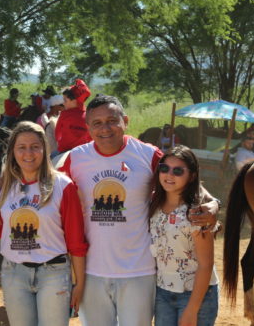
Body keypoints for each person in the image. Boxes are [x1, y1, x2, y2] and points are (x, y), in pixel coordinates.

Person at [59, 94, 219, 326]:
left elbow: (184, 182)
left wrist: (214, 204)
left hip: (139, 272)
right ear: (88, 127)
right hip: (91, 271)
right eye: (97, 123)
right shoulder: (74, 159)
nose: (105, 128)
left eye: (112, 120)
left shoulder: (147, 154)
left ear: (125, 120)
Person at [0, 121, 88, 326]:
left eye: (35, 146)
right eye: (22, 147)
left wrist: (79, 283)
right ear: (12, 152)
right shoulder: (6, 186)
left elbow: (76, 240)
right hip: (14, 272)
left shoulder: (63, 185)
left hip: (53, 273)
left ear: (45, 149)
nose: (29, 153)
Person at [149, 145, 219, 326]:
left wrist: (192, 309)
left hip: (196, 295)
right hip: (162, 292)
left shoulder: (197, 213)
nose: (169, 175)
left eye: (178, 171)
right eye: (164, 168)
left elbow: (206, 264)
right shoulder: (153, 204)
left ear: (192, 176)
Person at [54, 78, 91, 154]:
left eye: (65, 100)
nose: (63, 103)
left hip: (64, 151)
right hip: (85, 152)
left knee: (49, 161)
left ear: (74, 101)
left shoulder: (64, 114)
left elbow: (57, 135)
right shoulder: (89, 115)